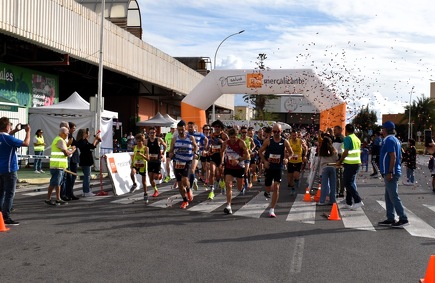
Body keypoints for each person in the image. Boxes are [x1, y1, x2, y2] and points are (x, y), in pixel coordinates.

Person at [378, 121, 409, 228]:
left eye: (383, 129)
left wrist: (390, 171)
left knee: (393, 196)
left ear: (386, 130)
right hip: (392, 171)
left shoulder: (389, 140)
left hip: (390, 172)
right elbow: (400, 157)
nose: (382, 130)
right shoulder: (395, 140)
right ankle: (390, 218)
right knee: (388, 196)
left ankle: (403, 218)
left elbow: (393, 156)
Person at [0, 117, 30, 225]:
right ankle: (6, 217)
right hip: (9, 169)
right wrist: (28, 132)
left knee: (1, 193)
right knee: (9, 194)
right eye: (10, 125)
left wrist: (16, 130)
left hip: (1, 169)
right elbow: (26, 143)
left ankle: (1, 215)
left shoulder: (3, 137)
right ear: (7, 126)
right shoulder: (8, 139)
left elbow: (7, 138)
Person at [259, 123, 293, 218]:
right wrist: (264, 161)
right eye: (274, 131)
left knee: (277, 187)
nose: (276, 133)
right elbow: (260, 152)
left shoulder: (285, 141)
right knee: (268, 186)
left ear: (281, 131)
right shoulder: (268, 141)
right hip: (269, 167)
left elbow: (291, 153)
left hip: (278, 167)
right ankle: (267, 191)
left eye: (278, 131)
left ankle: (272, 209)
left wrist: (287, 159)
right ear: (272, 132)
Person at [168, 120, 198, 209]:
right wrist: (170, 154)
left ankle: (188, 190)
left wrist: (196, 152)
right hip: (177, 162)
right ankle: (185, 201)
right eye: (179, 129)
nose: (181, 131)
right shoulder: (174, 139)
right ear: (177, 129)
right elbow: (171, 150)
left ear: (185, 129)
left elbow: (196, 146)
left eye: (182, 129)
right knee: (180, 183)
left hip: (187, 162)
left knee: (185, 179)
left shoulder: (191, 137)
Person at [221, 128, 249, 214]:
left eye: (235, 137)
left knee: (239, 188)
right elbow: (222, 152)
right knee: (229, 185)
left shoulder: (241, 142)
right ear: (229, 137)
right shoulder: (226, 143)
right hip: (229, 167)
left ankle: (244, 183)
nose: (233, 139)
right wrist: (222, 162)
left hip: (239, 167)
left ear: (237, 136)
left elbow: (247, 155)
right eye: (231, 137)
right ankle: (228, 205)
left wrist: (238, 160)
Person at [45, 127, 76, 206]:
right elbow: (66, 153)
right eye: (67, 133)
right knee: (54, 183)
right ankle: (48, 198)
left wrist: (69, 147)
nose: (68, 135)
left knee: (58, 183)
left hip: (59, 166)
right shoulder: (60, 140)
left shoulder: (60, 140)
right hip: (57, 166)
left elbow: (64, 149)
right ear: (62, 133)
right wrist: (73, 150)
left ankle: (58, 198)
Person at [336, 124, 364, 210]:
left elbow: (346, 152)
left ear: (346, 130)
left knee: (347, 183)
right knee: (349, 182)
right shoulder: (356, 138)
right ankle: (349, 203)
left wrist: (340, 161)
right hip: (355, 163)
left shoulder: (348, 138)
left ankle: (358, 200)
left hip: (351, 164)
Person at [76, 128, 101, 197]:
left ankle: (85, 191)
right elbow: (90, 147)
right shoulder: (82, 141)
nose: (89, 134)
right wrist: (96, 139)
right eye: (88, 133)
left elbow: (92, 147)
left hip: (86, 160)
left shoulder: (84, 141)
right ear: (84, 134)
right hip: (85, 160)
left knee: (86, 176)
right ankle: (86, 191)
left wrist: (97, 141)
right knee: (87, 176)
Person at [207, 120, 228, 199]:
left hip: (221, 156)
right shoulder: (211, 135)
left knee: (221, 173)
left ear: (221, 127)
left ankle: (222, 184)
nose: (216, 128)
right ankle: (211, 190)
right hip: (213, 155)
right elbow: (208, 144)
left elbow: (228, 144)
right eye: (215, 127)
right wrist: (208, 149)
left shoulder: (224, 135)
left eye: (218, 127)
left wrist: (222, 142)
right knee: (212, 172)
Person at [317, 136, 338, 206]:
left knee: (324, 185)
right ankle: (332, 200)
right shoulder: (334, 150)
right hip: (333, 167)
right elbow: (336, 158)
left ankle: (322, 201)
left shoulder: (322, 150)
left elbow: (319, 160)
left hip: (324, 168)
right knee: (333, 185)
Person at [187, 121, 208, 191]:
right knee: (189, 170)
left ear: (194, 127)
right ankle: (194, 179)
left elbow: (206, 140)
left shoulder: (199, 134)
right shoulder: (186, 134)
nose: (189, 128)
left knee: (192, 169)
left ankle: (190, 187)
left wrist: (204, 148)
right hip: (187, 154)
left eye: (191, 127)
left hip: (196, 154)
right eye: (188, 126)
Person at [146, 127, 166, 198]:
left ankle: (160, 175)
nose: (152, 134)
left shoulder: (159, 139)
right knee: (150, 178)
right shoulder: (146, 141)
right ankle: (156, 190)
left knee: (156, 177)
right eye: (150, 133)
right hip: (150, 161)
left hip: (157, 161)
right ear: (149, 133)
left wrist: (163, 153)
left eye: (153, 132)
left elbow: (165, 145)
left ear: (155, 133)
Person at [62, 122, 80, 201]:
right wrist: (72, 148)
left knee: (71, 177)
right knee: (68, 177)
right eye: (72, 128)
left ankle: (69, 193)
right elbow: (67, 146)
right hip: (69, 158)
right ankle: (66, 193)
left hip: (72, 158)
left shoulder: (71, 136)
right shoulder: (67, 136)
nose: (73, 129)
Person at [130, 133, 149, 201]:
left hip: (142, 165)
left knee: (143, 182)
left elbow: (148, 159)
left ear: (142, 141)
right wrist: (132, 163)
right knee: (132, 173)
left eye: (140, 141)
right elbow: (133, 156)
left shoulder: (146, 148)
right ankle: (134, 184)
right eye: (137, 141)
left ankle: (145, 193)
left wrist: (142, 155)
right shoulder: (135, 147)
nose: (138, 143)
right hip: (135, 164)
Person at [287, 129, 307, 195]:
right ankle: (293, 185)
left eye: (295, 135)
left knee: (295, 175)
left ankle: (294, 187)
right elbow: (285, 149)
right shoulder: (289, 141)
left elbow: (306, 147)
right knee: (290, 179)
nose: (294, 136)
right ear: (291, 136)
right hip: (290, 160)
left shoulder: (300, 141)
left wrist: (305, 155)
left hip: (298, 160)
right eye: (293, 135)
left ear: (297, 135)